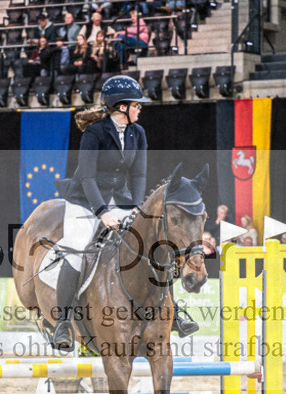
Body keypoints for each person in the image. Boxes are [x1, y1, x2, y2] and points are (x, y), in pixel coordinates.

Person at [49, 75, 200, 348]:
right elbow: (87, 178)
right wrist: (102, 213)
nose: (140, 108)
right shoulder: (94, 133)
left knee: (152, 245)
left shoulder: (137, 133)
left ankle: (173, 311)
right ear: (120, 107)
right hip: (85, 200)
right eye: (135, 104)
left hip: (121, 199)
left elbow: (139, 173)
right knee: (76, 248)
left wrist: (138, 209)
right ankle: (62, 323)